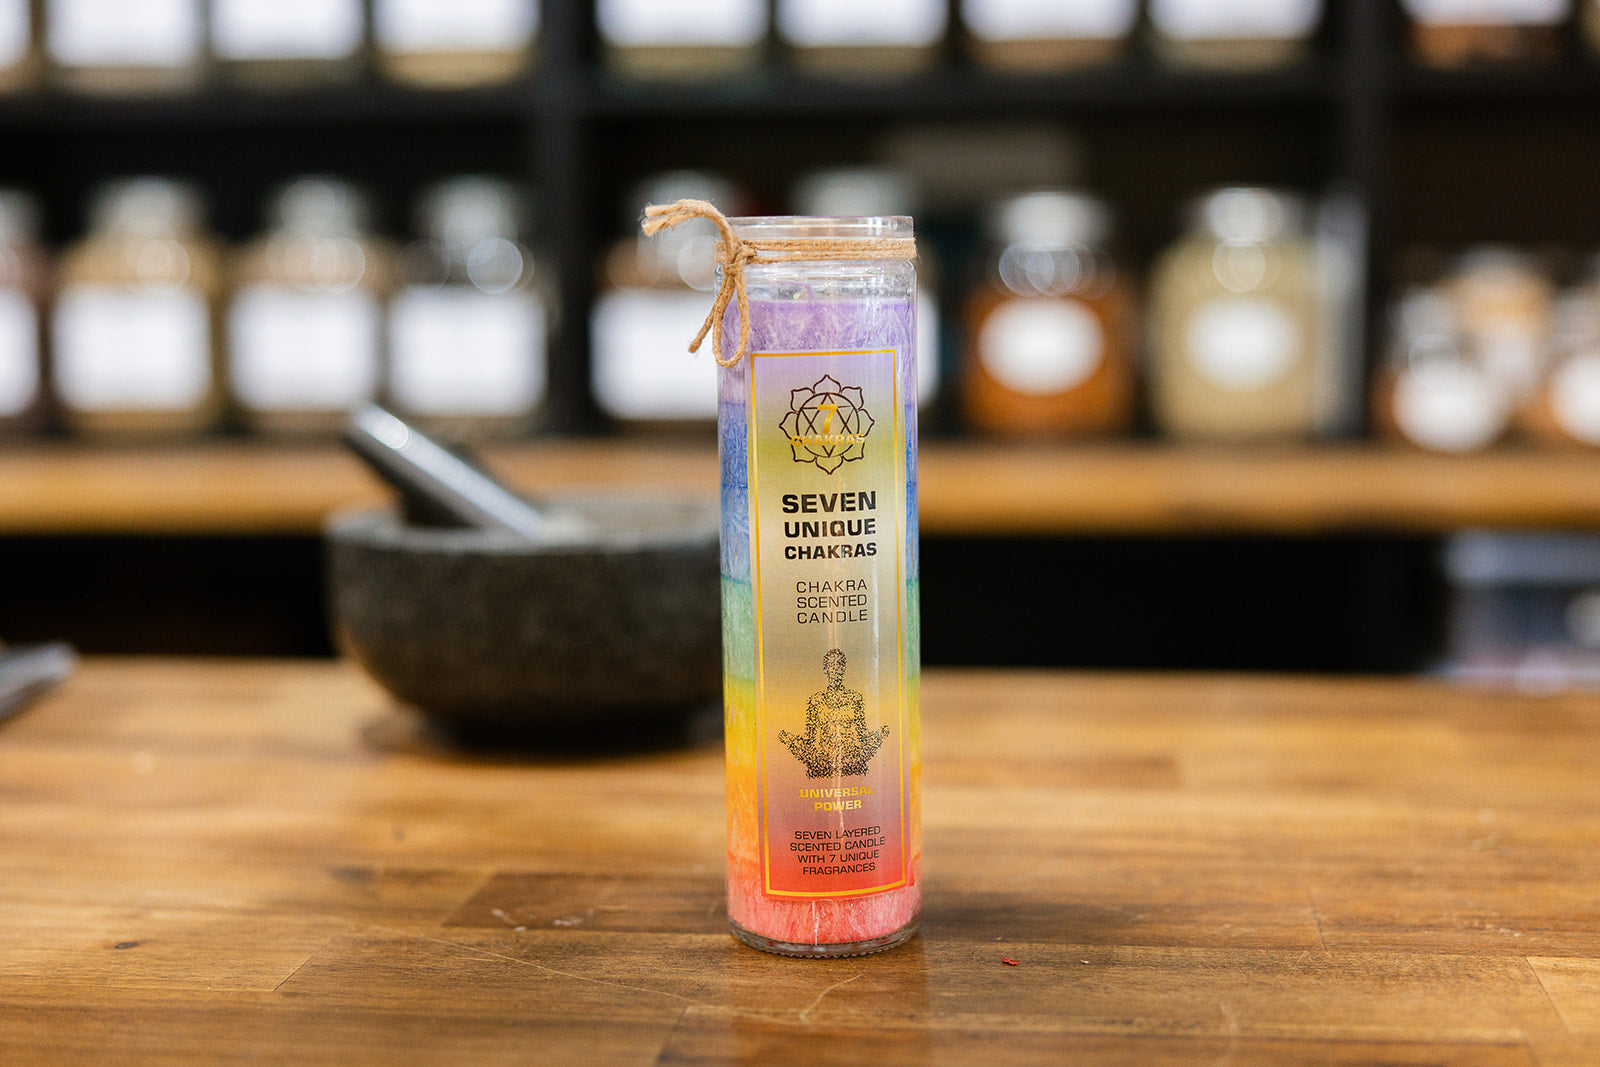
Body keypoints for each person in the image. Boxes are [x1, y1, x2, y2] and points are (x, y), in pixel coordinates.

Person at [779, 648, 888, 778]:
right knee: (810, 755)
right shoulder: (816, 701)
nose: (835, 669)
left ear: (844, 669)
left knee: (866, 751)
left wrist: (880, 735)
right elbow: (809, 740)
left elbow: (863, 737)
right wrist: (790, 740)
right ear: (825, 669)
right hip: (824, 758)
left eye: (839, 665)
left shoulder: (855, 699)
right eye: (832, 665)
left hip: (851, 756)